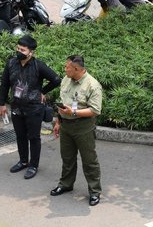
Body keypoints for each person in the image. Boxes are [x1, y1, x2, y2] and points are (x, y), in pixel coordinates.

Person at [0, 35, 61, 179]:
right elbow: (4, 84)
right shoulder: (11, 63)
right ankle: (23, 161)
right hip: (16, 107)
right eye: (18, 48)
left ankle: (33, 165)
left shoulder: (38, 65)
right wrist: (2, 104)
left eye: (23, 50)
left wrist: (42, 91)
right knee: (20, 136)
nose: (19, 51)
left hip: (34, 108)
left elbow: (56, 79)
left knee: (33, 137)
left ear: (31, 52)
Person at [50, 55, 103, 206]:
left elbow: (95, 110)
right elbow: (63, 103)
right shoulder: (66, 79)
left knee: (89, 160)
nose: (64, 69)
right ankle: (65, 184)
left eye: (67, 67)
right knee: (67, 158)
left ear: (77, 69)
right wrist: (58, 122)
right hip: (65, 124)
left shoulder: (92, 85)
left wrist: (73, 113)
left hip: (83, 126)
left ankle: (94, 191)